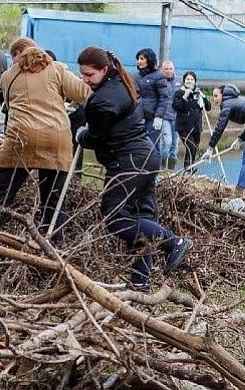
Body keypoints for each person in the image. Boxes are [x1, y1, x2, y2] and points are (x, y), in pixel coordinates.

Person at [75, 46, 193, 291]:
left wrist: (81, 135)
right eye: (82, 74)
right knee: (142, 219)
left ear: (104, 69)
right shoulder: (123, 82)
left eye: (89, 75)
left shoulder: (103, 100)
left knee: (115, 218)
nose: (85, 80)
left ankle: (173, 242)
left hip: (127, 161)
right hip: (147, 156)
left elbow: (97, 137)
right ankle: (141, 283)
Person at [0, 38, 91, 243]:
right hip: (57, 138)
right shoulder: (57, 69)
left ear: (18, 53)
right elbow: (84, 93)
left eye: (13, 56)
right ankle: (53, 245)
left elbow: (8, 104)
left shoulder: (8, 76)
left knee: (0, 189)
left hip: (21, 138)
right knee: (53, 199)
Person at [45, 49, 86, 177]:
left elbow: (80, 93)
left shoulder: (62, 74)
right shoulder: (40, 77)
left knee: (74, 144)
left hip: (74, 115)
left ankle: (75, 175)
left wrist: (68, 105)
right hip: (56, 117)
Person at [172, 71, 211, 169]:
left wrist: (203, 96)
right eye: (187, 79)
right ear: (184, 81)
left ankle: (190, 169)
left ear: (195, 81)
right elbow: (176, 106)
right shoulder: (179, 93)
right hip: (184, 126)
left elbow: (208, 107)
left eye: (192, 79)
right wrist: (185, 96)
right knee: (190, 147)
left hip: (196, 126)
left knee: (194, 148)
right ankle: (188, 170)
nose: (189, 81)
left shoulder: (197, 93)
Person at [133, 48, 169, 150]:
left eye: (141, 59)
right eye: (138, 59)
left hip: (152, 118)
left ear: (149, 60)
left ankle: (155, 166)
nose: (138, 61)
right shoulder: (135, 76)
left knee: (152, 147)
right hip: (137, 117)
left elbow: (164, 98)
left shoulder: (158, 76)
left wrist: (159, 116)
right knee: (137, 146)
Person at [159, 61, 179, 169]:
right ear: (162, 70)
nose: (169, 71)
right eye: (166, 69)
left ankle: (171, 170)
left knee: (175, 144)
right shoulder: (159, 82)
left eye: (170, 69)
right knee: (167, 141)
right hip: (164, 117)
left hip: (177, 117)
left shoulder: (179, 82)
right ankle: (162, 166)